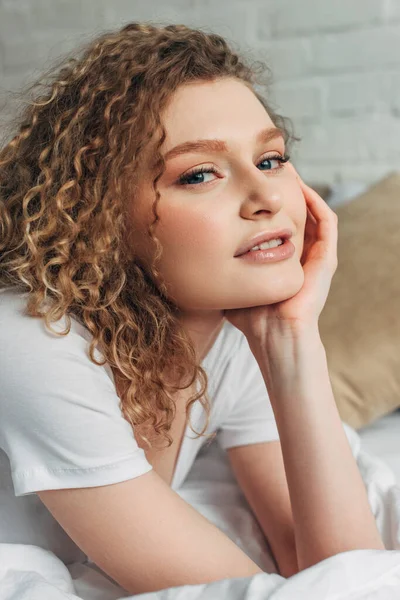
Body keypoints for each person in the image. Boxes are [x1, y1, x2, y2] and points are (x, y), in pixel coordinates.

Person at [0, 21, 384, 595]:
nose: (264, 200)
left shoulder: (238, 333)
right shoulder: (33, 339)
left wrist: (293, 339)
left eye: (272, 159)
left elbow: (349, 574)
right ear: (103, 220)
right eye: (199, 174)